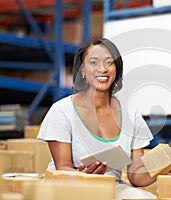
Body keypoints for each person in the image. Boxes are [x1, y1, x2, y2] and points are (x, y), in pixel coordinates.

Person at [37, 38, 163, 199]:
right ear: (82, 70)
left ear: (116, 68)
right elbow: (63, 167)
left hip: (110, 187)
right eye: (94, 63)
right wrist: (84, 176)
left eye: (109, 62)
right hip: (68, 186)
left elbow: (135, 175)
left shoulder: (131, 114)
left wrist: (158, 169)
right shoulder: (62, 111)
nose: (102, 69)